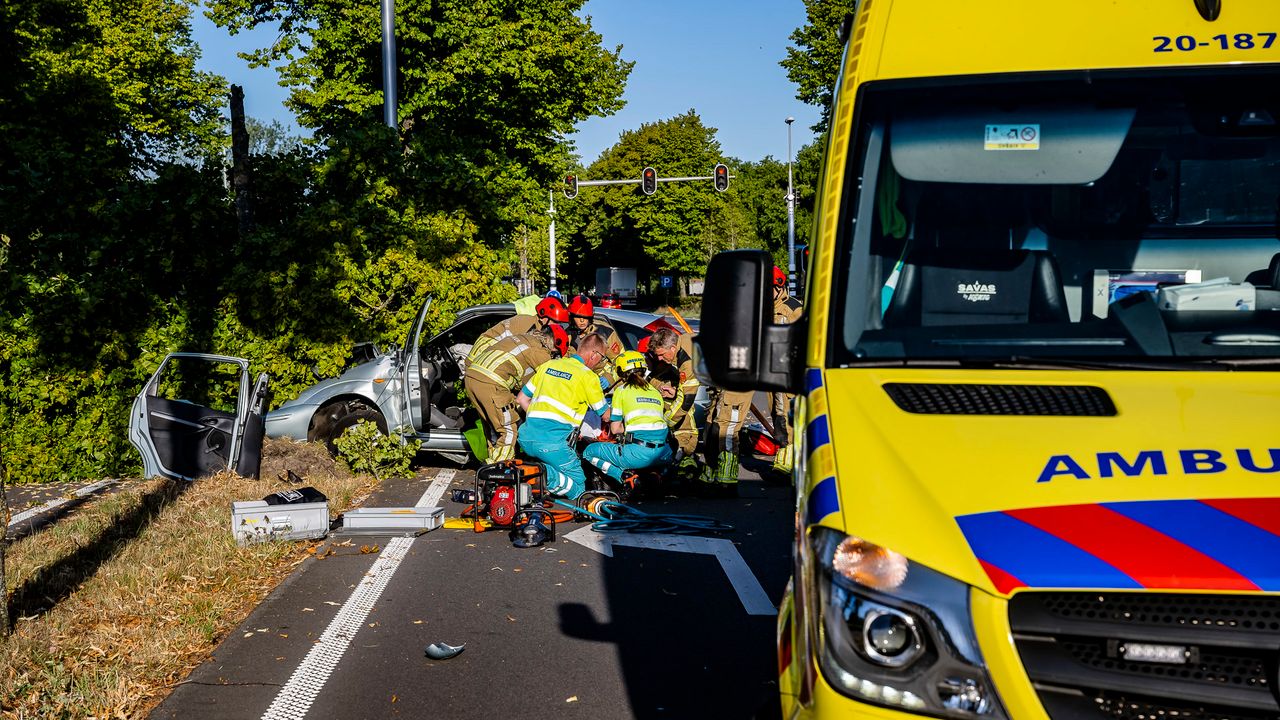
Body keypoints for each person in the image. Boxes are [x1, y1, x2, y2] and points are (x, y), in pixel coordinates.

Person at [516, 333, 609, 499]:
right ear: (594, 354)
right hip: (554, 444)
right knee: (580, 487)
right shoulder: (588, 376)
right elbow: (606, 415)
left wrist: (539, 420)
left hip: (526, 437)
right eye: (602, 358)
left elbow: (522, 398)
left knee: (560, 470)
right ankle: (542, 474)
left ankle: (535, 476)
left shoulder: (549, 365)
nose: (600, 363)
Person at [464, 325, 568, 462]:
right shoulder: (540, 352)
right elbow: (548, 382)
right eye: (555, 354)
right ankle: (499, 471)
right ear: (554, 346)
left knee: (492, 428)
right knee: (508, 430)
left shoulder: (522, 337)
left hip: (472, 378)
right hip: (492, 383)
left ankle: (492, 459)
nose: (553, 356)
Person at [583, 351, 673, 486]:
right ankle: (656, 475)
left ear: (620, 372)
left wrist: (628, 427)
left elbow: (614, 429)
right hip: (664, 453)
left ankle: (625, 478)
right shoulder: (655, 392)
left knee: (588, 452)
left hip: (638, 454)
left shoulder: (622, 391)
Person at [644, 326, 701, 472]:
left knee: (725, 426)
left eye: (662, 355)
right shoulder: (681, 345)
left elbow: (686, 402)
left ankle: (687, 451)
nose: (659, 359)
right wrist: (676, 391)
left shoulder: (686, 361)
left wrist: (665, 422)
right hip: (718, 378)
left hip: (732, 377)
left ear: (673, 348)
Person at [770, 265, 804, 474]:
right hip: (771, 372)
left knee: (785, 413)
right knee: (776, 412)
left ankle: (788, 456)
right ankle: (783, 450)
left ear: (779, 286)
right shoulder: (766, 308)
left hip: (788, 371)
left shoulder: (794, 308)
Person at [469, 295, 568, 364]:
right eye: (556, 322)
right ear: (543, 317)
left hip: (487, 357)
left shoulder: (537, 325)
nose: (558, 326)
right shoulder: (528, 324)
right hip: (481, 356)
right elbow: (530, 355)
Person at [565, 294, 624, 380]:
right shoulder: (567, 334)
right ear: (571, 316)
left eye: (585, 317)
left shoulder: (605, 332)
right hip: (576, 380)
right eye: (578, 316)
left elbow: (620, 361)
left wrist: (608, 378)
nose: (582, 320)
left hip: (600, 380)